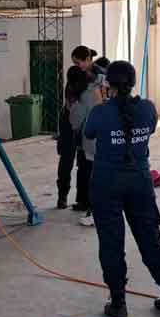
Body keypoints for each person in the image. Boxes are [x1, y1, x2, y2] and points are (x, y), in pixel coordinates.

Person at [84, 60, 160, 317]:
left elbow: (88, 133)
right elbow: (150, 128)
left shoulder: (101, 112)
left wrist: (100, 103)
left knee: (111, 242)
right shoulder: (148, 108)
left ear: (108, 84)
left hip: (106, 183)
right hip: (140, 182)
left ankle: (118, 302)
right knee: (150, 238)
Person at [71, 59, 106, 227]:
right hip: (111, 140)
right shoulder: (103, 85)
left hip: (93, 143)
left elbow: (76, 122)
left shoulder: (85, 95)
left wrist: (72, 106)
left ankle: (94, 213)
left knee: (95, 180)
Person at [55, 66, 85, 210]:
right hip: (72, 123)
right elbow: (71, 106)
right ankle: (66, 197)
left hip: (72, 123)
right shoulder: (80, 86)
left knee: (70, 161)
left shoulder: (74, 83)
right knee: (73, 160)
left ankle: (65, 197)